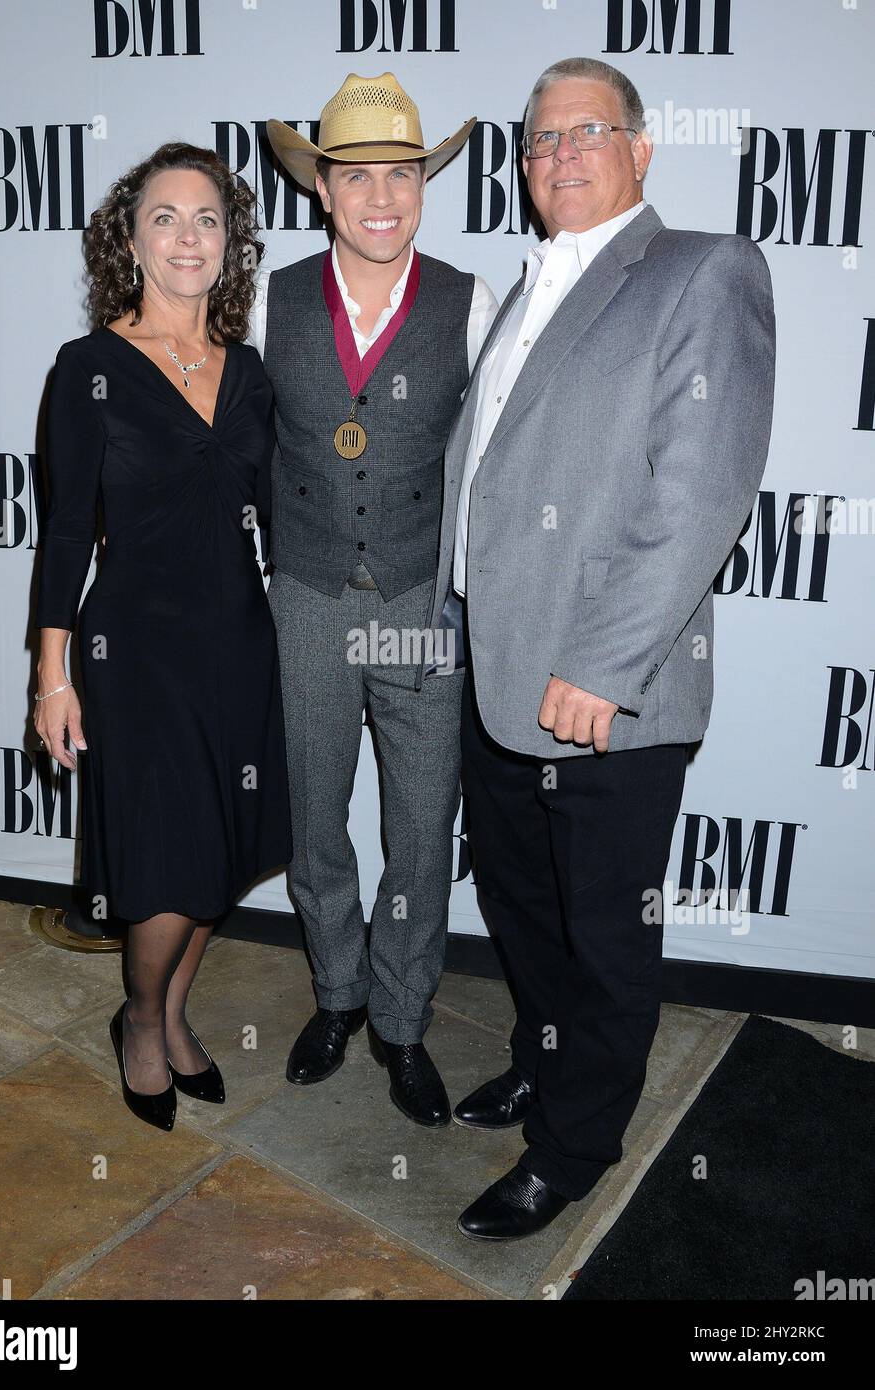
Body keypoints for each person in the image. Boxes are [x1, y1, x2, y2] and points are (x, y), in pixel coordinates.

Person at [413, 57, 776, 1237]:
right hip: (496, 671)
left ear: (640, 147)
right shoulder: (526, 290)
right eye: (537, 141)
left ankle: (571, 1151)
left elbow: (699, 494)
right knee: (523, 904)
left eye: (584, 133)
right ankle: (542, 1056)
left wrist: (604, 669)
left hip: (600, 695)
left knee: (606, 930)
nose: (556, 156)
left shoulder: (701, 270)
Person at [247, 73, 497, 1125]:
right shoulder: (267, 296)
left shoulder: (468, 300)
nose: (380, 195)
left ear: (425, 186)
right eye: (358, 176)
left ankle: (401, 1021)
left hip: (418, 602)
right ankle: (337, 994)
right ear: (321, 189)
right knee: (314, 822)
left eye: (401, 173)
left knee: (417, 828)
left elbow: (493, 464)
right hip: (304, 596)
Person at [33, 143, 292, 1132]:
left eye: (207, 220)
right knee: (167, 864)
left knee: (223, 856)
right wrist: (52, 674)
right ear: (128, 242)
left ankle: (177, 1011)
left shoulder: (252, 374)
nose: (187, 237)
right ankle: (140, 1019)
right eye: (165, 219)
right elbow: (63, 534)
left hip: (240, 644)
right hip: (132, 653)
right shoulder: (90, 369)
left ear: (230, 245)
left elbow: (286, 515)